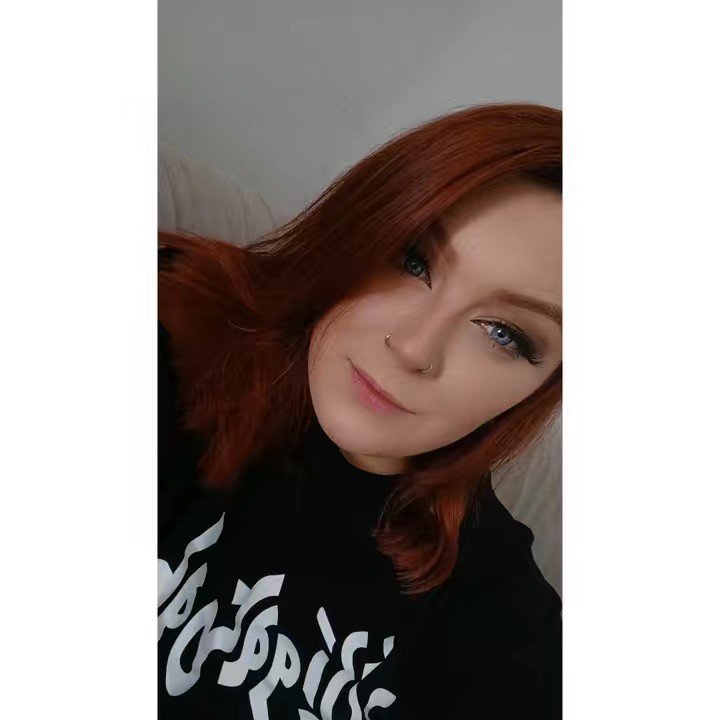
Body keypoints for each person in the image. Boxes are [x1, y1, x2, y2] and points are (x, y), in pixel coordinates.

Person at [158, 102, 563, 719]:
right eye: (413, 261)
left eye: (504, 333)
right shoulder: (175, 334)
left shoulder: (495, 611)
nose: (415, 348)